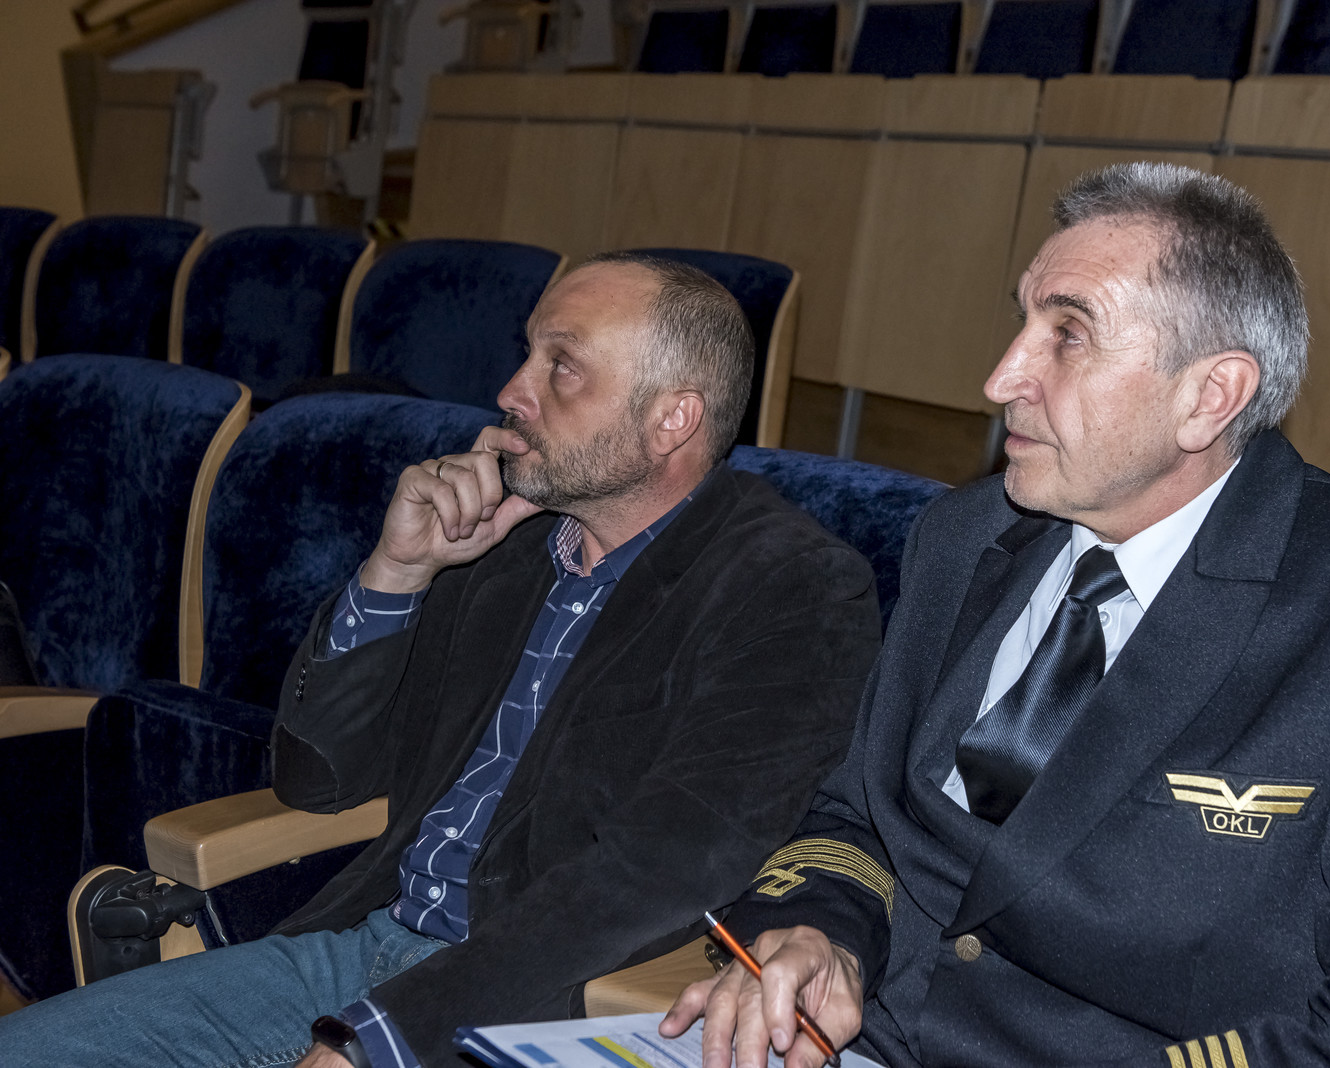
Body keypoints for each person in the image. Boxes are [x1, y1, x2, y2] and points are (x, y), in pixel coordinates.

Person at [666, 163, 1330, 1068]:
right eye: (1022, 322)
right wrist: (824, 933)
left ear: (1210, 397)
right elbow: (861, 817)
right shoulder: (967, 535)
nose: (1002, 378)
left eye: (1067, 335)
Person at [0, 253, 882, 1067]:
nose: (511, 390)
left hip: (539, 1002)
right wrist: (396, 572)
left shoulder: (789, 588)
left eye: (561, 366)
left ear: (671, 419)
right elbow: (317, 779)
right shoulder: (502, 545)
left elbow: (653, 875)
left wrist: (379, 1041)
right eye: (526, 354)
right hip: (357, 951)